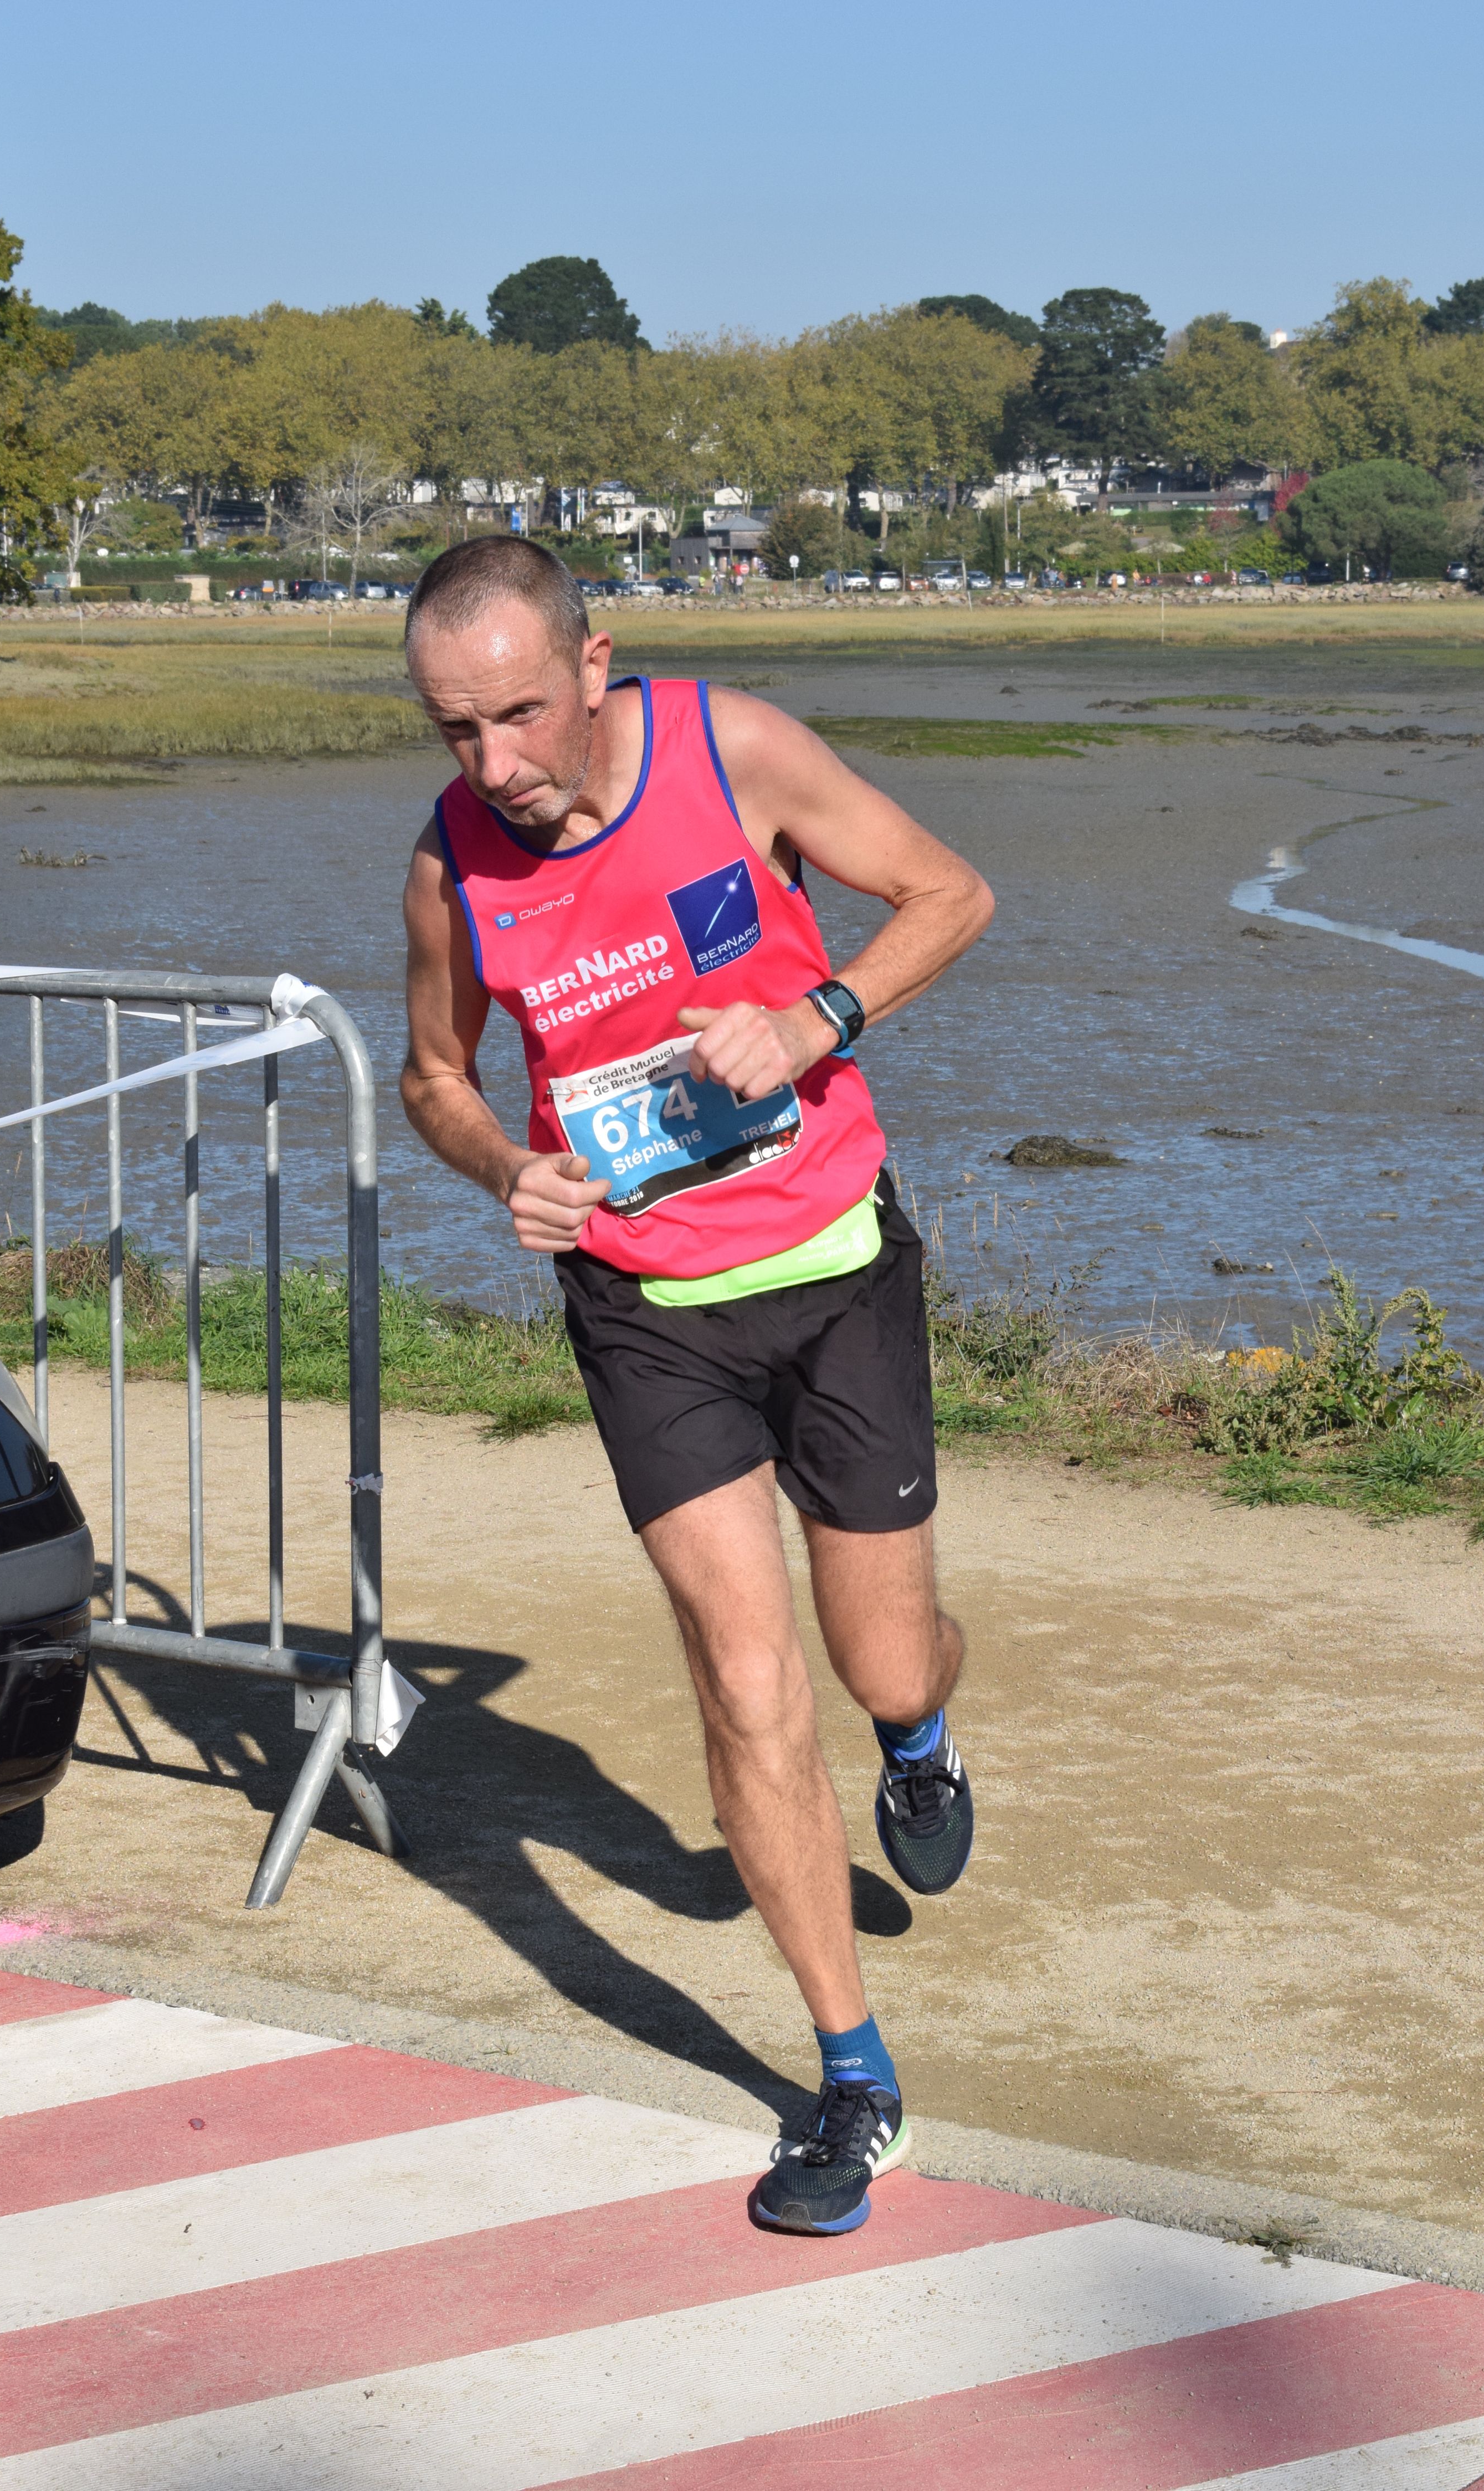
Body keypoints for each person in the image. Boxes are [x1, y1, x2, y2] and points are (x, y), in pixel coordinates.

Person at [399, 537, 994, 2234]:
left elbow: (951, 895)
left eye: (522, 713)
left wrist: (817, 1020)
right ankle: (853, 2079)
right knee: (745, 1682)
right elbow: (436, 1074)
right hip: (646, 1309)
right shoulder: (450, 865)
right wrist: (503, 1167)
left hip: (833, 1268)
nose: (497, 762)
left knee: (879, 1654)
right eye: (457, 730)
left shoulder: (729, 751)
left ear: (595, 667)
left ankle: (920, 1735)